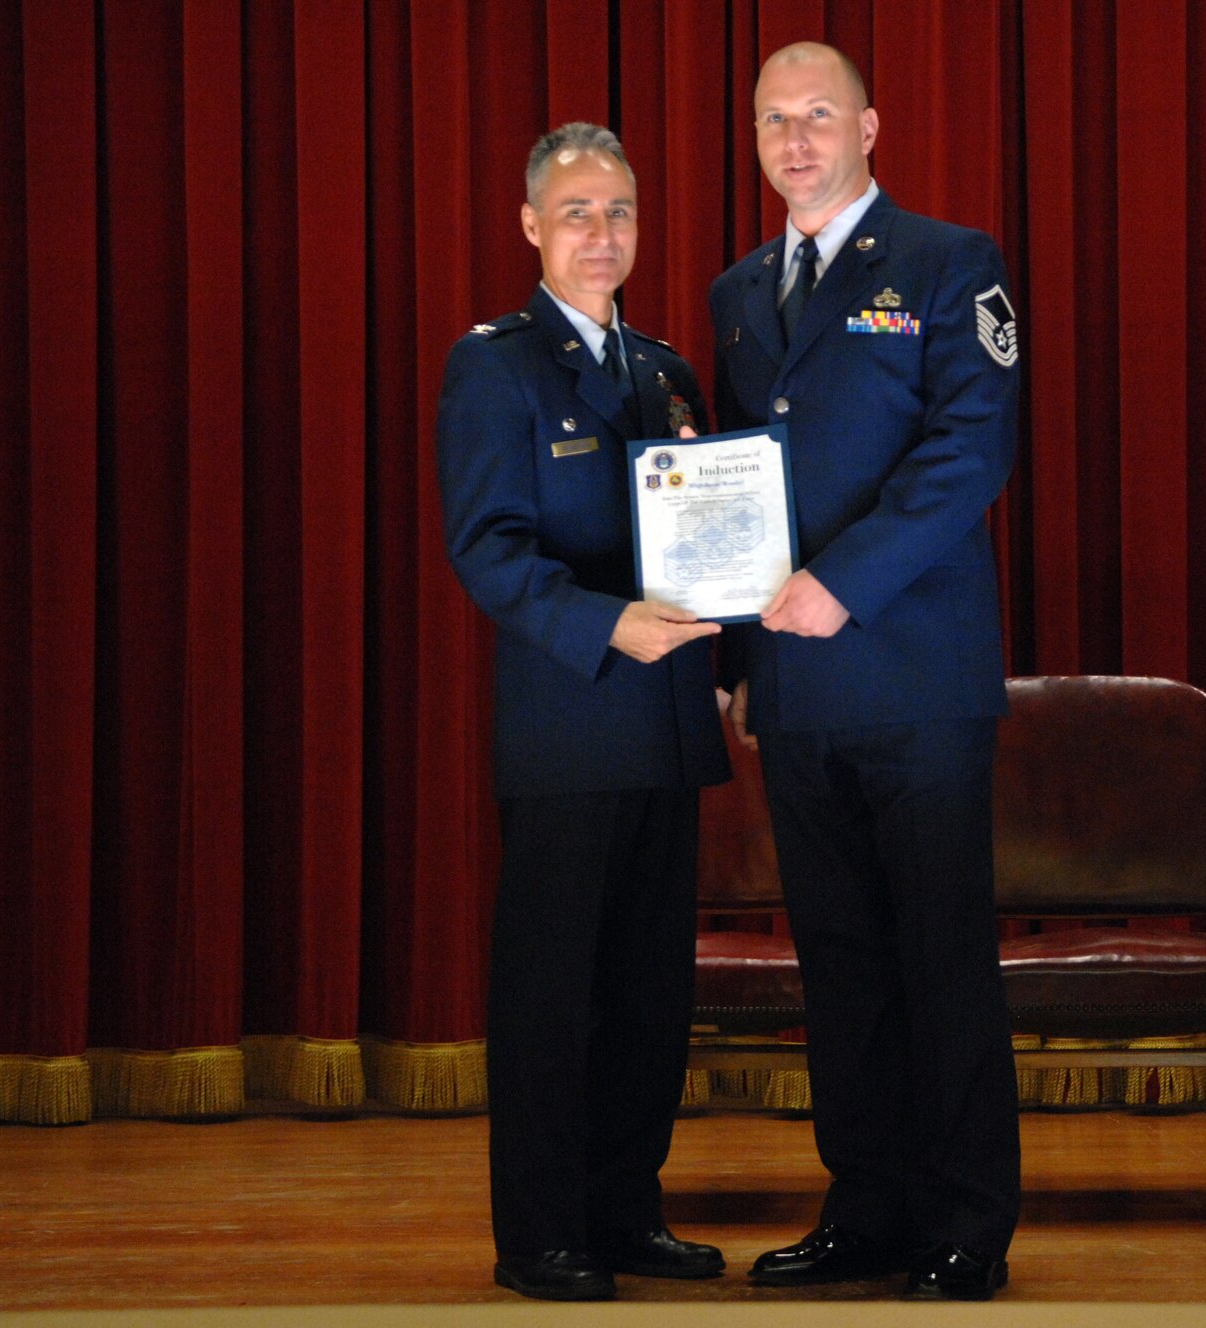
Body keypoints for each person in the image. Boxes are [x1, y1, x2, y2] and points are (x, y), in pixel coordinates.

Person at [708, 41, 1022, 1302]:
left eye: (818, 116)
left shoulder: (950, 262)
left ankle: (966, 1220)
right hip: (794, 683)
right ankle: (867, 1205)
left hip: (916, 673)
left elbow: (970, 448)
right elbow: (739, 480)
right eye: (772, 121)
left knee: (939, 955)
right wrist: (740, 654)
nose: (795, 141)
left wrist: (843, 581)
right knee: (837, 962)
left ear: (870, 126)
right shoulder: (739, 290)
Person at [435, 122, 729, 1302]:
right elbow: (486, 548)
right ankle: (541, 1229)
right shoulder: (494, 366)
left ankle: (625, 1208)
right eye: (575, 213)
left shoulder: (665, 370)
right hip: (568, 719)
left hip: (666, 719)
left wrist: (734, 647)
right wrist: (606, 623)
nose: (599, 234)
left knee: (649, 993)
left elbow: (709, 531)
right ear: (529, 226)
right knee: (553, 993)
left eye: (617, 212)